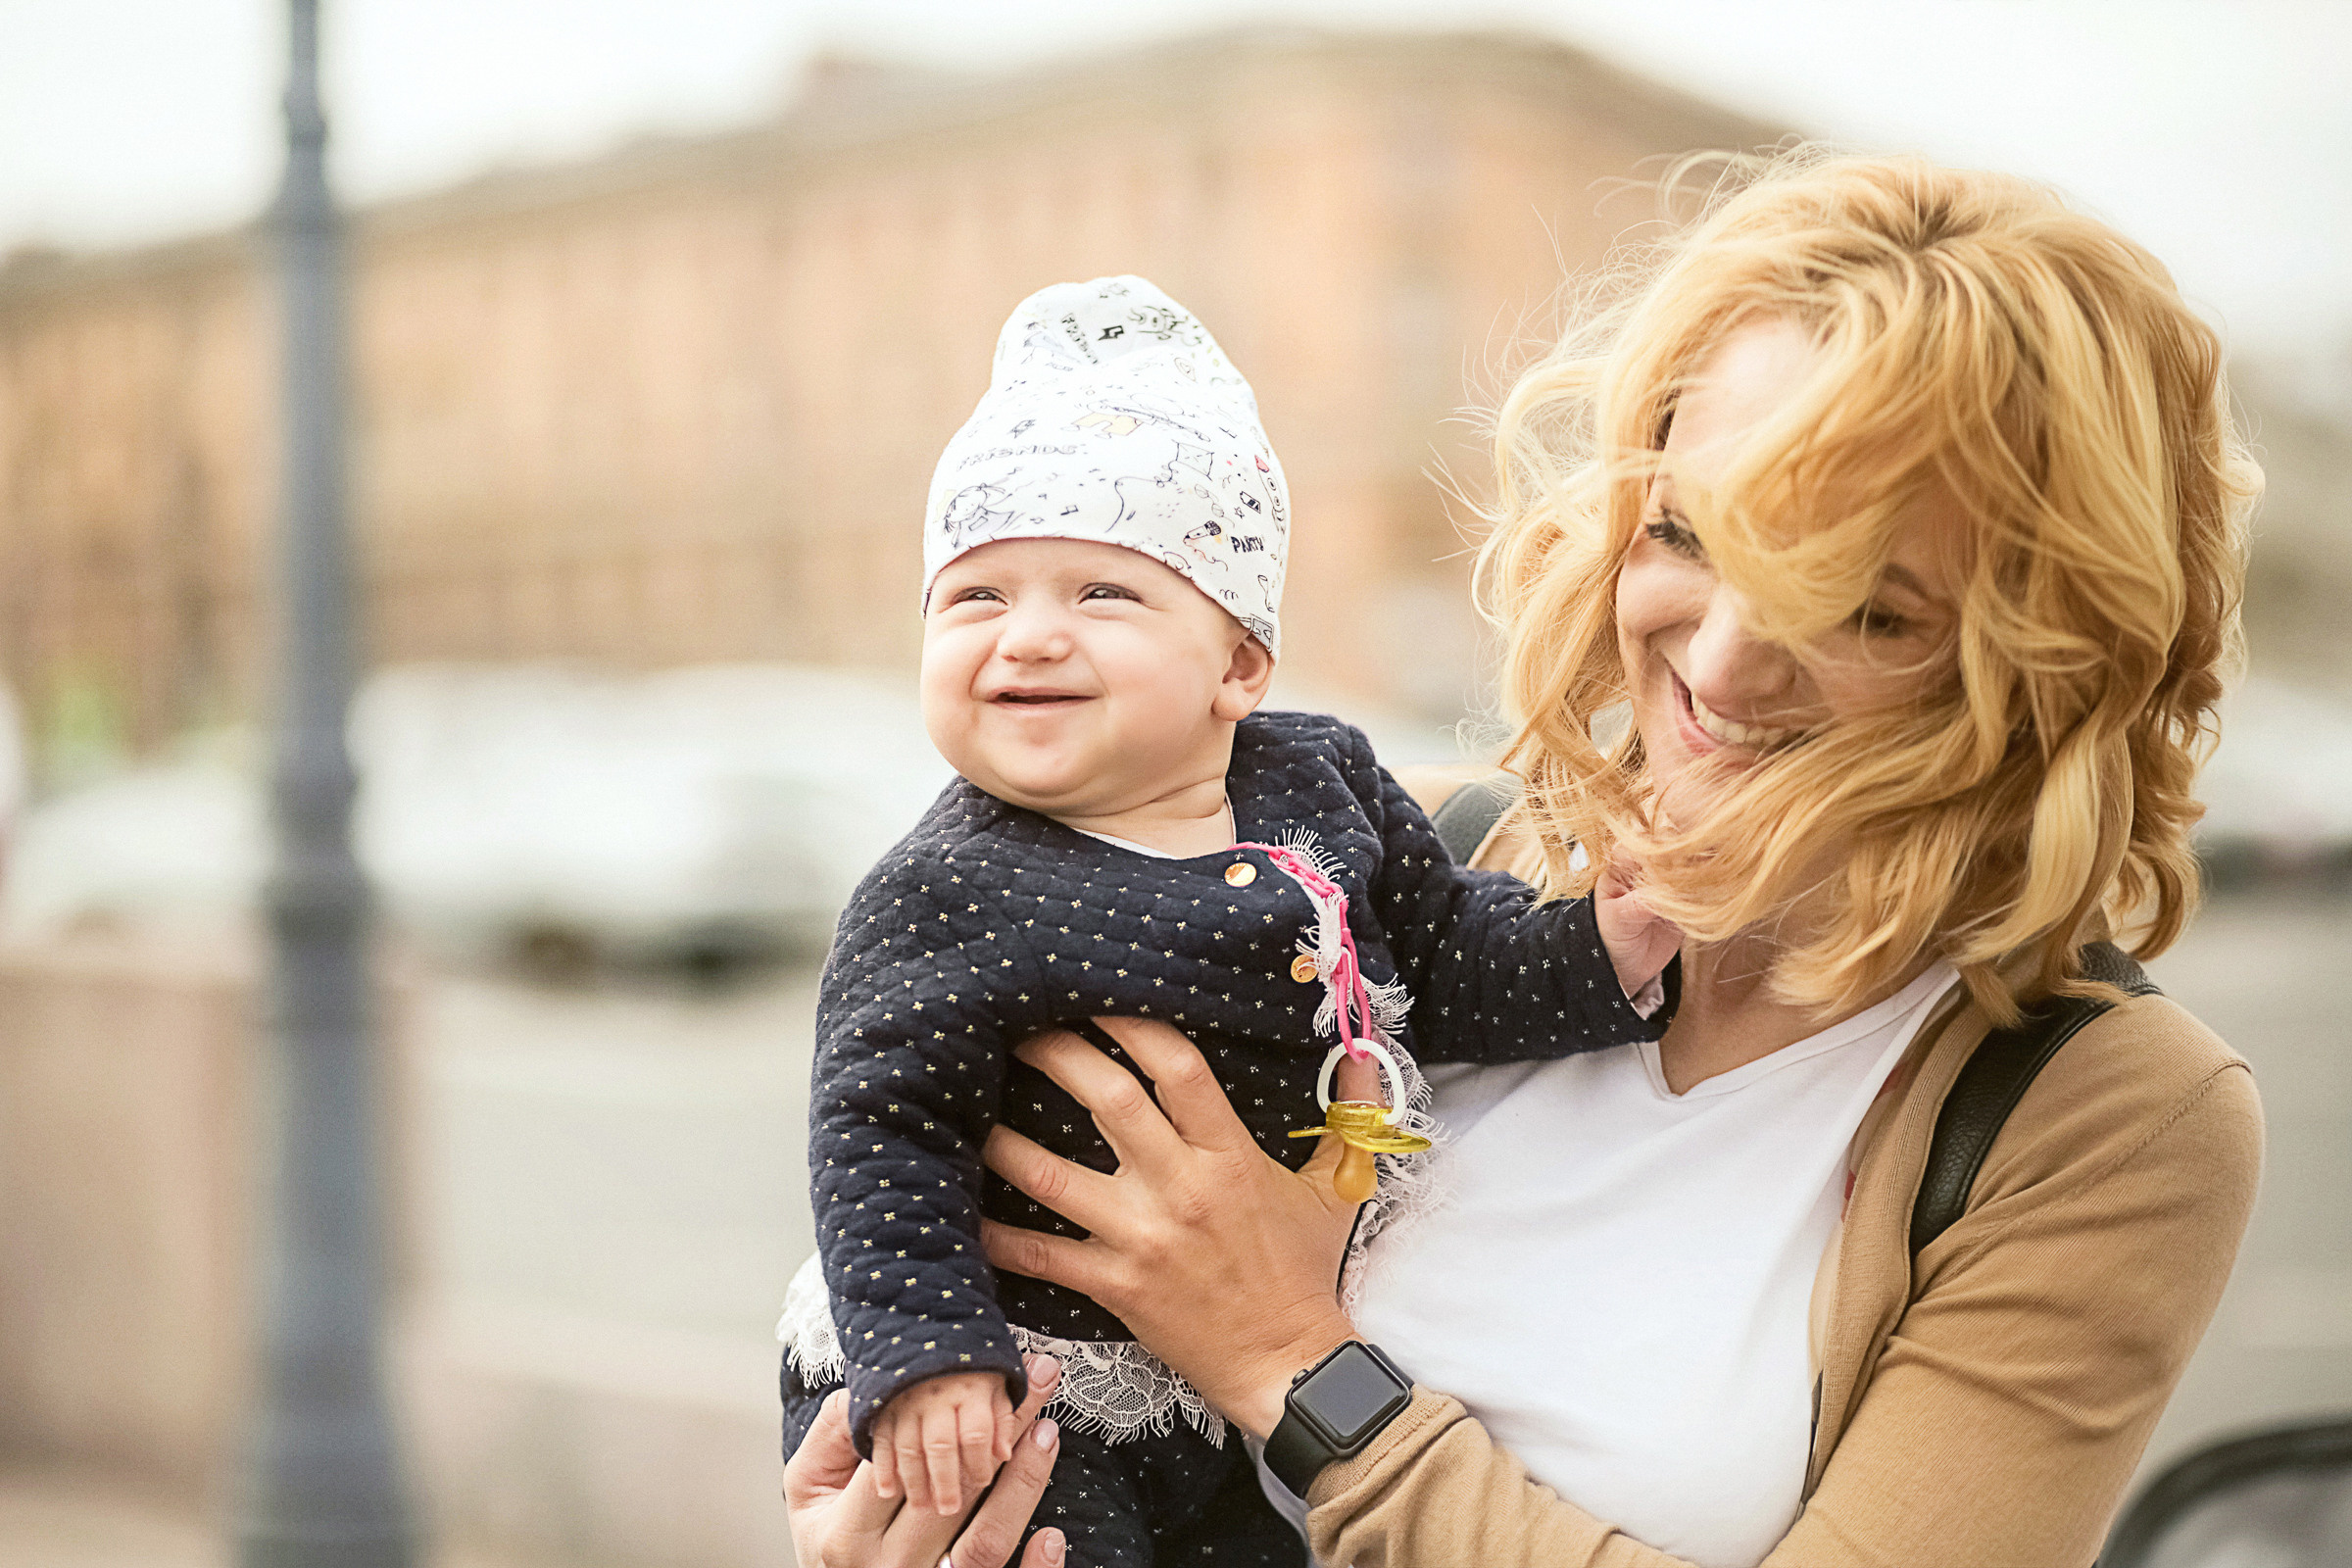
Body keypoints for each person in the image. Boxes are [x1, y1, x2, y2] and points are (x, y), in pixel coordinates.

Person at [776, 275, 1679, 1566]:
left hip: (1228, 1386)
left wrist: (1599, 952)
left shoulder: (1324, 782)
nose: (1026, 637)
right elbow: (878, 1128)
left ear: (1240, 665)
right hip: (1019, 1379)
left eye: (1102, 595)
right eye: (975, 598)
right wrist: (926, 1357)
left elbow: (1448, 957)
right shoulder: (939, 891)